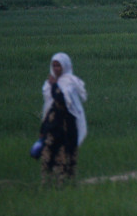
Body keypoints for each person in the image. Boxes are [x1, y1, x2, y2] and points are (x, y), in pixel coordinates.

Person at [39, 52, 87, 186]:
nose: (55, 69)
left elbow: (62, 100)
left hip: (66, 129)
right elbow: (48, 109)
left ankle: (65, 185)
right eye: (53, 66)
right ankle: (47, 184)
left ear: (65, 66)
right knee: (48, 156)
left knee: (65, 157)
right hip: (52, 128)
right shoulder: (49, 85)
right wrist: (42, 129)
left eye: (58, 66)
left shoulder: (70, 83)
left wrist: (55, 86)